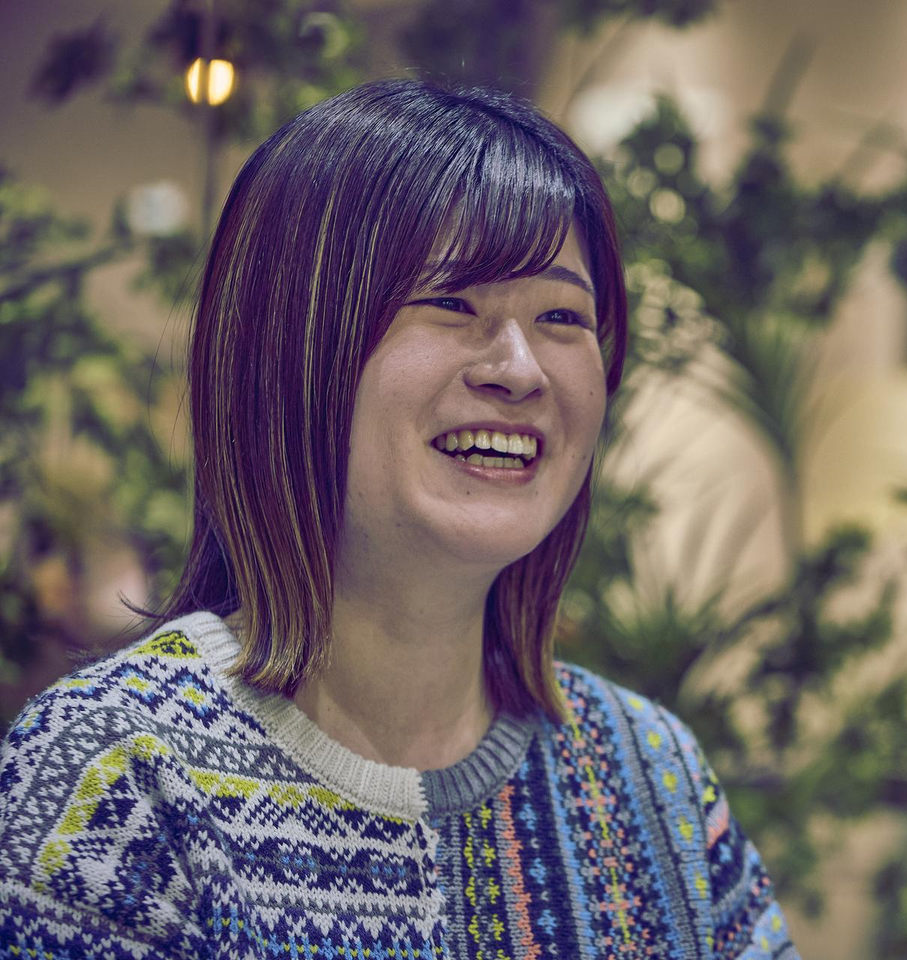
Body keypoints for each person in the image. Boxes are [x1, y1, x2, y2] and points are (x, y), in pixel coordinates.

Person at [0, 79, 797, 959]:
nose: (519, 369)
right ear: (291, 349)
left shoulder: (651, 775)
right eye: (452, 302)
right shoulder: (118, 777)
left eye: (562, 316)